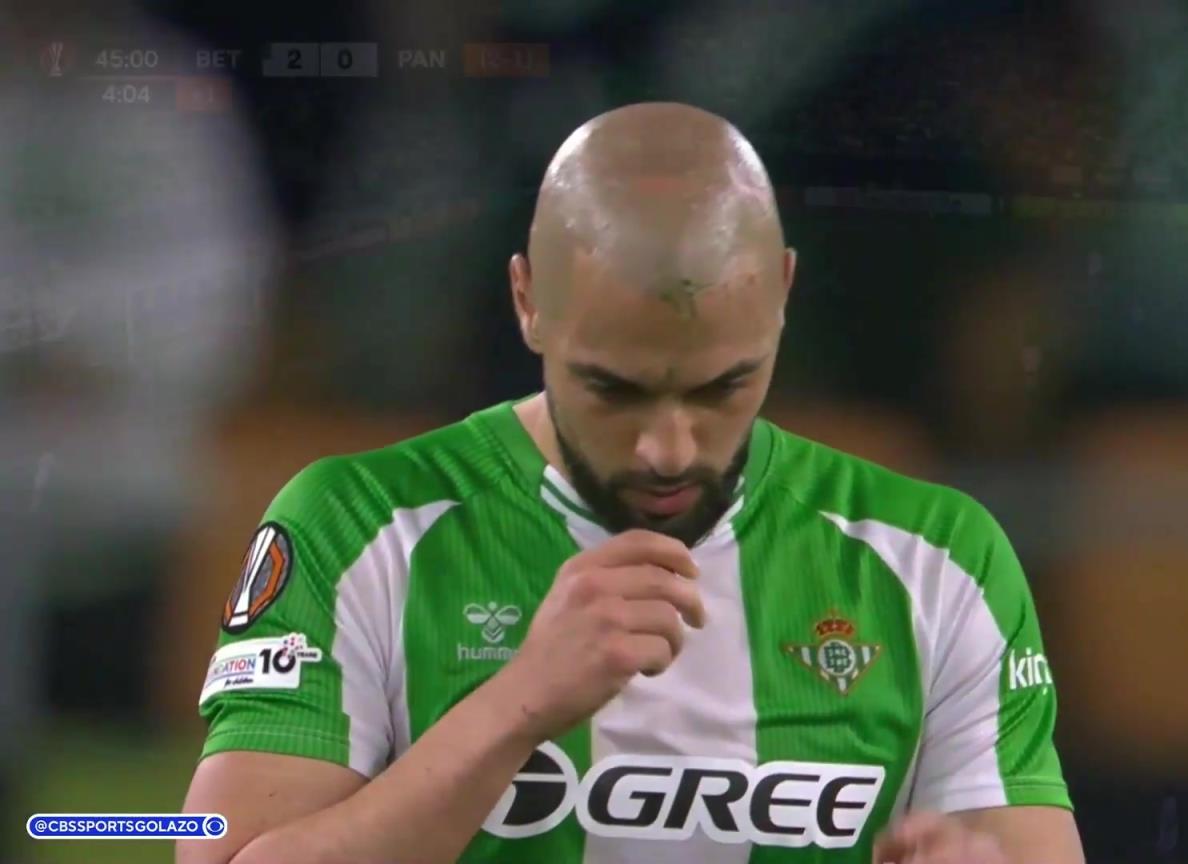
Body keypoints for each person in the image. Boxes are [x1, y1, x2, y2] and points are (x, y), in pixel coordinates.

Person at [178, 102, 1084, 864]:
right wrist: (518, 707)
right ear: (528, 302)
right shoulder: (359, 525)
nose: (668, 449)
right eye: (613, 389)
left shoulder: (935, 557)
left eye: (723, 387)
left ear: (781, 294)